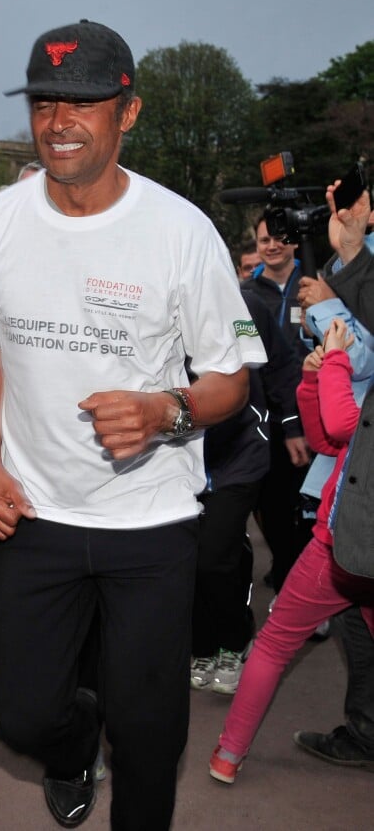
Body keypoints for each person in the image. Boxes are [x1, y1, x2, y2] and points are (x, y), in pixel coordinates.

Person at [0, 19, 266, 830]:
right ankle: (73, 734)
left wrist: (166, 409)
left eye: (85, 102)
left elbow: (230, 379)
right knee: (21, 718)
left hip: (151, 524)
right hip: (35, 515)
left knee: (150, 734)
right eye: (46, 100)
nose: (61, 119)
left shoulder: (181, 230)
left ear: (128, 112)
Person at [209, 317, 374, 784]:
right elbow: (329, 439)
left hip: (341, 550)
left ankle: (228, 753)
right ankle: (228, 753)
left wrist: (337, 361)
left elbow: (344, 423)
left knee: (275, 643)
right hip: (343, 544)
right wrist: (310, 380)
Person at [293, 181, 374, 769]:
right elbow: (319, 339)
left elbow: (364, 355)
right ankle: (365, 730)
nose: (351, 212)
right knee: (354, 616)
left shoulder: (353, 263)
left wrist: (331, 293)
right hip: (350, 472)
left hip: (360, 459)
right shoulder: (350, 259)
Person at [191, 288, 301, 694]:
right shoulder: (157, 304)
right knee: (190, 559)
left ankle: (235, 641)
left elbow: (281, 368)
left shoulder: (247, 306)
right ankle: (201, 645)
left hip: (241, 453)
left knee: (213, 557)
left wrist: (290, 427)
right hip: (180, 458)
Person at [242, 216, 312, 593]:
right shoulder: (248, 295)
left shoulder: (317, 283)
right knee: (274, 505)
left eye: (280, 238)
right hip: (271, 417)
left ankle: (309, 582)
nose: (271, 246)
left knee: (312, 504)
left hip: (320, 409)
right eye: (264, 239)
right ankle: (289, 575)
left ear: (295, 243)